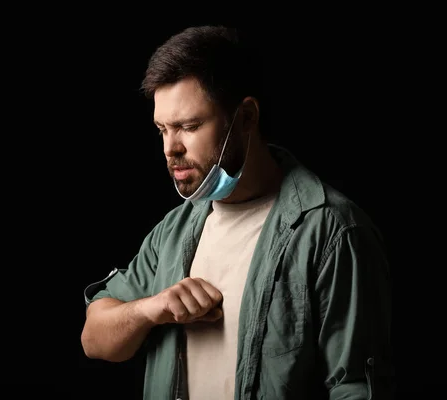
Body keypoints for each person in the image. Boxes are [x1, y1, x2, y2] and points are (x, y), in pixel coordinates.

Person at [80, 25, 394, 400]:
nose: (170, 148)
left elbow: (355, 388)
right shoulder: (173, 231)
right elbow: (94, 339)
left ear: (246, 117)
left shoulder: (332, 232)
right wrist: (152, 309)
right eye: (162, 129)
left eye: (188, 126)